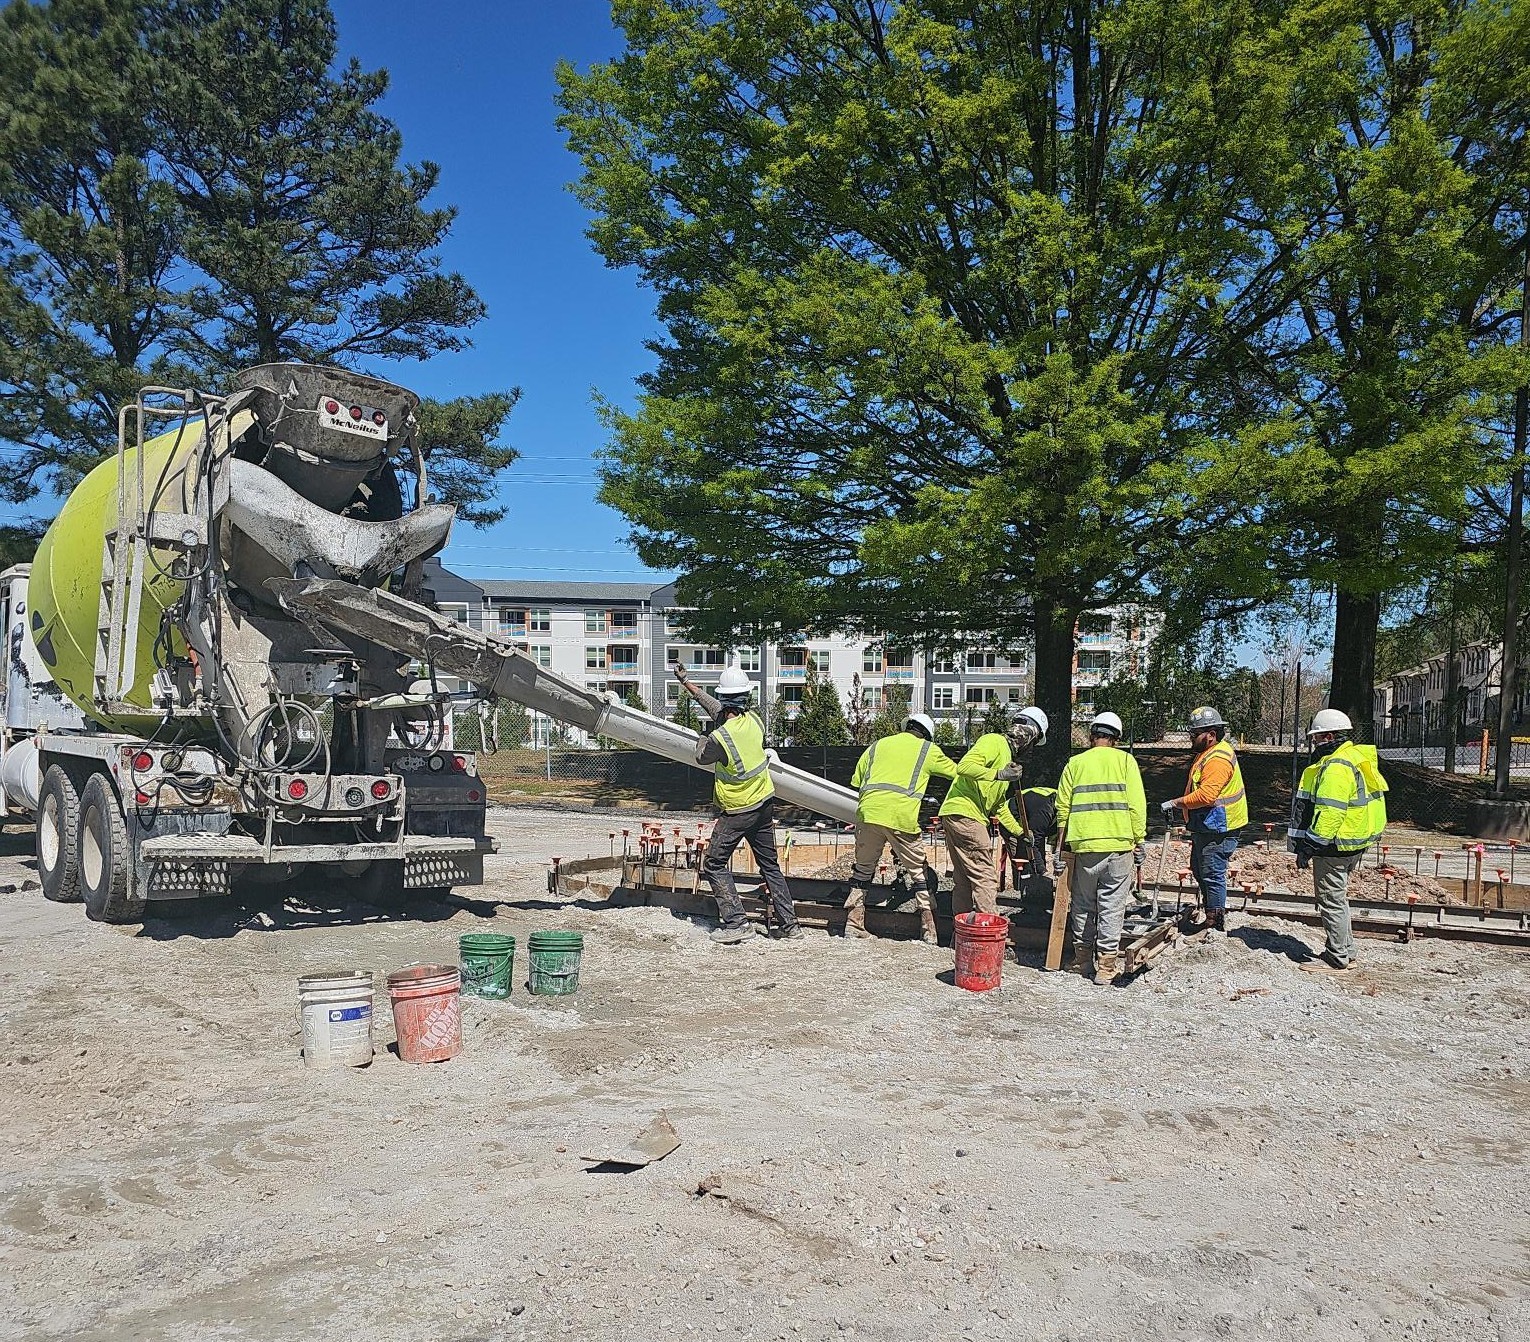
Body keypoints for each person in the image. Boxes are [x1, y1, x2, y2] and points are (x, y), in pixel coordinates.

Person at [676, 663, 802, 945]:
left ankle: (736, 922)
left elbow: (701, 756)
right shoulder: (755, 721)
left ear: (724, 700)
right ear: (746, 697)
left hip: (738, 810)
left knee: (714, 864)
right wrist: (688, 684)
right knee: (770, 865)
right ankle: (790, 925)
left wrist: (702, 736)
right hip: (764, 803)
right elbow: (717, 709)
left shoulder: (720, 737)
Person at [846, 712, 996, 944]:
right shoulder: (928, 750)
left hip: (868, 813)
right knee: (919, 874)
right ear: (927, 735)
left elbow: (856, 782)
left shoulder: (877, 745)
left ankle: (853, 924)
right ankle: (929, 930)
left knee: (863, 870)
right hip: (900, 816)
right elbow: (958, 773)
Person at [1289, 708, 1389, 970]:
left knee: (1330, 899)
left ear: (1330, 736)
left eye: (1317, 738)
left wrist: (1310, 845)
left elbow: (1331, 811)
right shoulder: (1354, 757)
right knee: (1338, 898)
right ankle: (1348, 950)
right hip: (1353, 842)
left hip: (1334, 845)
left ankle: (1336, 957)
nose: (1314, 743)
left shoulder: (1335, 767)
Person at [1054, 710, 1146, 985]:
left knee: (1082, 905)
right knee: (1111, 907)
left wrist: (1060, 849)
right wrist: (1139, 839)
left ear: (1092, 736)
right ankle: (1106, 968)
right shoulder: (1126, 762)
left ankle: (1082, 960)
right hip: (1119, 847)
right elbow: (1136, 805)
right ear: (1115, 739)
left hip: (1084, 846)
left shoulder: (1075, 763)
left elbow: (1062, 808)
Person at [937, 707, 1049, 918]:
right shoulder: (994, 742)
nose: (1032, 748)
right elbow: (964, 766)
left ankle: (961, 934)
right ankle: (988, 930)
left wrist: (1021, 832)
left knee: (964, 878)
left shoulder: (1008, 758)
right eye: (1033, 742)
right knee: (985, 876)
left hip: (956, 814)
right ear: (1029, 733)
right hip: (966, 814)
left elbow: (998, 806)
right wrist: (998, 773)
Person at [1159, 706, 1247, 934]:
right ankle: (1211, 914)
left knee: (1212, 873)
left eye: (1195, 733)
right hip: (1208, 825)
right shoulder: (1208, 753)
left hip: (1218, 826)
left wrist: (1176, 803)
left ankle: (1214, 923)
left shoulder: (1217, 758)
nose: (1191, 737)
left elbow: (1207, 796)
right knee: (1200, 870)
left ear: (1211, 734)